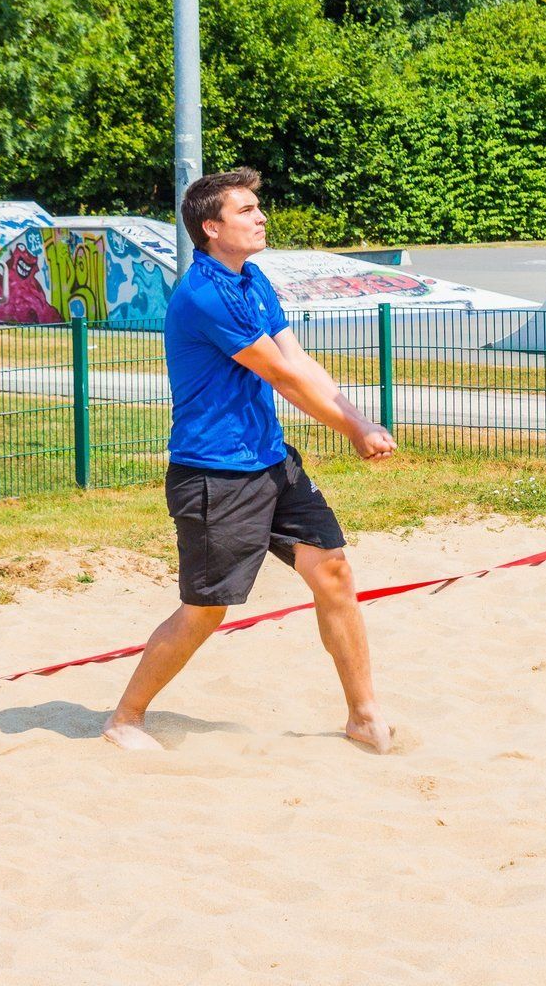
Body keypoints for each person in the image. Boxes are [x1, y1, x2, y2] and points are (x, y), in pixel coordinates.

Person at [103, 169, 399, 752]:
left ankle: (363, 716)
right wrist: (354, 429)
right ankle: (125, 718)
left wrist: (358, 417)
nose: (261, 217)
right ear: (211, 228)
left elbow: (299, 360)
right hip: (215, 474)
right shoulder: (205, 293)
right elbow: (282, 377)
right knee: (205, 610)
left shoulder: (252, 279)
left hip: (271, 461)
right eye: (246, 210)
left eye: (258, 207)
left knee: (333, 573)